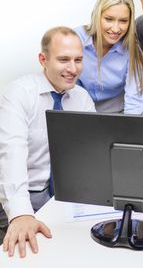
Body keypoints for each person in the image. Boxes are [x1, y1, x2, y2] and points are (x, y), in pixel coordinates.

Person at [0, 26, 95, 257]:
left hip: (61, 198)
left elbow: (92, 156)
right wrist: (21, 214)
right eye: (63, 60)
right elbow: (11, 156)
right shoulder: (18, 94)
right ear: (43, 59)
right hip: (19, 194)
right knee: (27, 255)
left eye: (78, 60)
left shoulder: (82, 99)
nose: (73, 69)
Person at [74, 0, 143, 114]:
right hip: (80, 112)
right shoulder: (75, 39)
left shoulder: (133, 50)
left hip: (118, 117)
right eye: (109, 19)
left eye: (123, 21)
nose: (115, 28)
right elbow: (65, 85)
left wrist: (129, 130)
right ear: (98, 15)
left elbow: (134, 103)